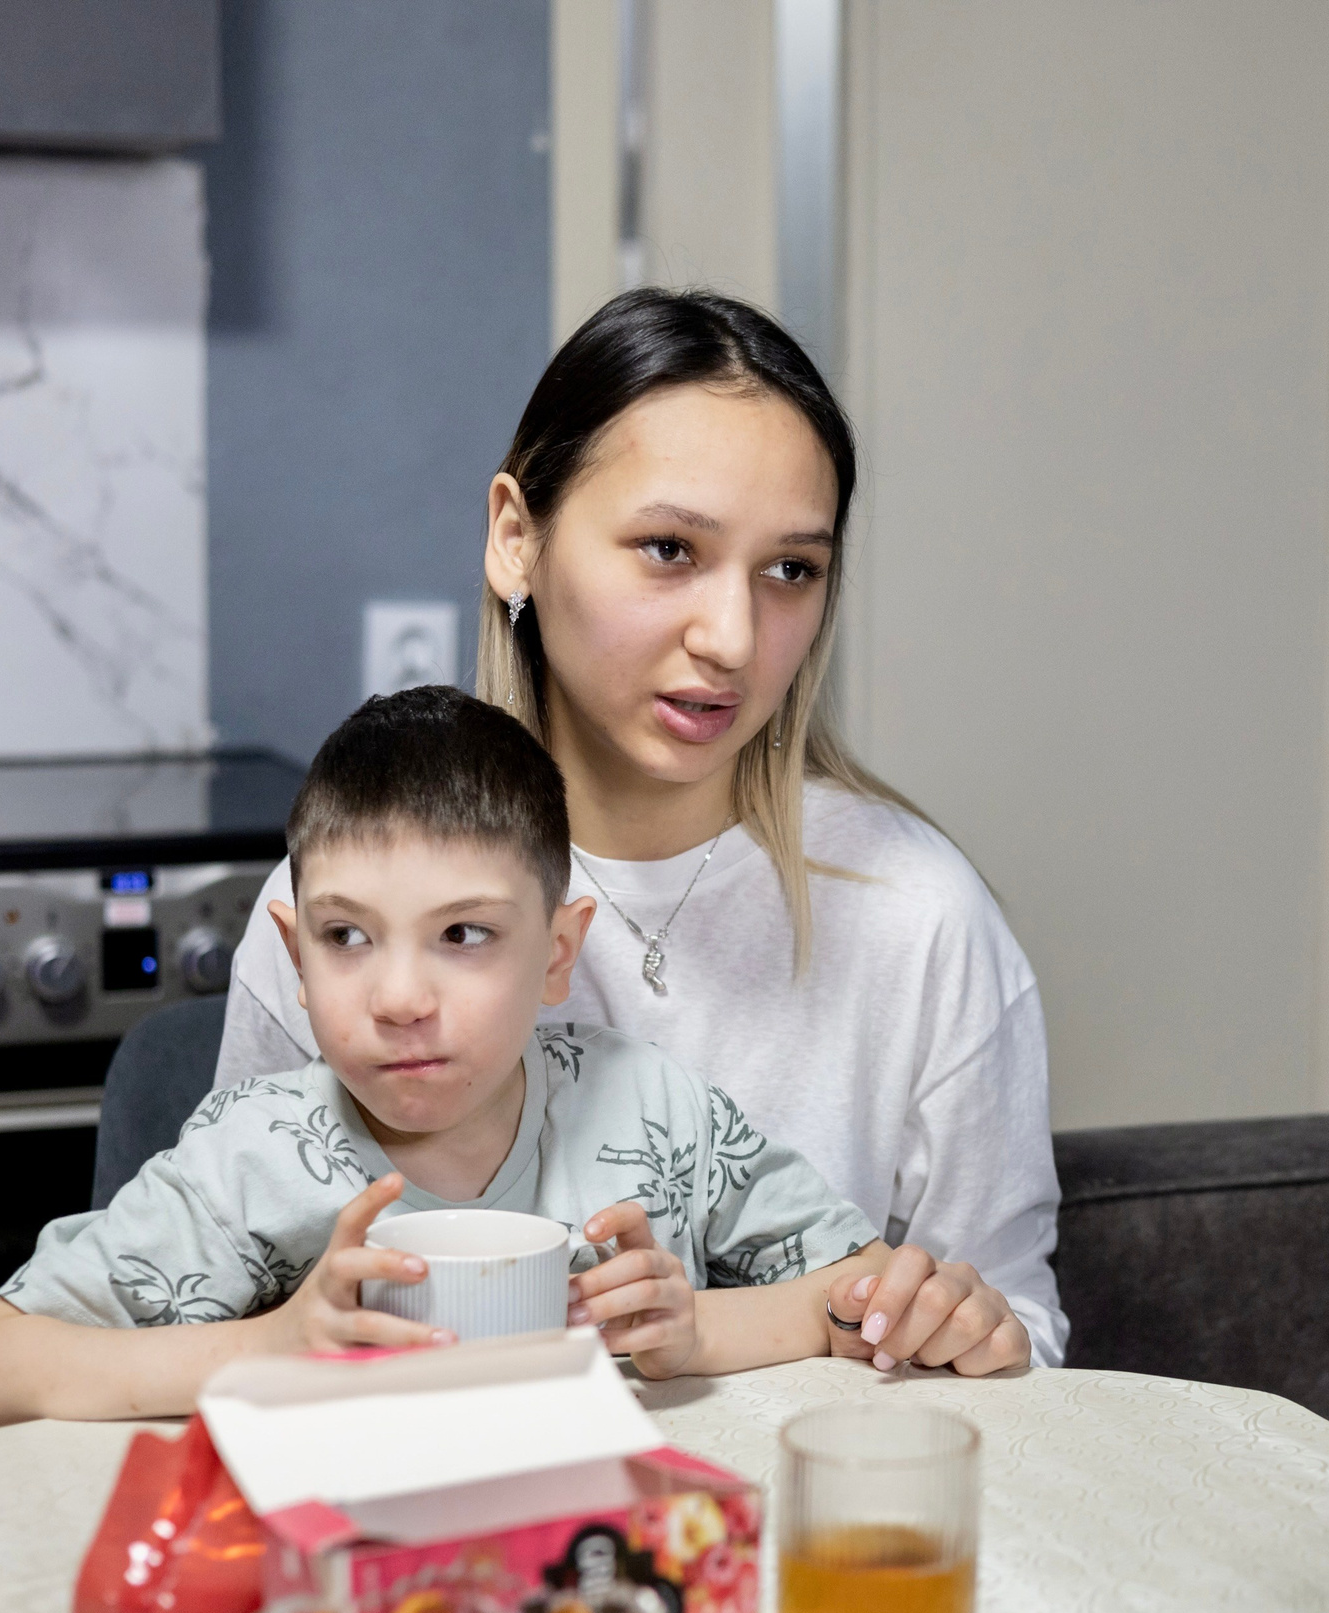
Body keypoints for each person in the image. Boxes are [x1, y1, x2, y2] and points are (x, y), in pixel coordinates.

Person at [215, 288, 1069, 1367]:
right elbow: (226, 1319)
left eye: (791, 571)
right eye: (669, 548)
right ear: (516, 539)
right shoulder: (343, 909)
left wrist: (974, 1330)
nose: (732, 637)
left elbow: (1023, 1339)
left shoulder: (920, 915)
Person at [0, 690, 1030, 1437]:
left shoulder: (654, 1111)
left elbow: (855, 1301)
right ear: (296, 959)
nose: (400, 997)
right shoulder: (252, 1159)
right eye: (348, 936)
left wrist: (695, 1331)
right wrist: (275, 1346)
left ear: (556, 955)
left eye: (463, 934)